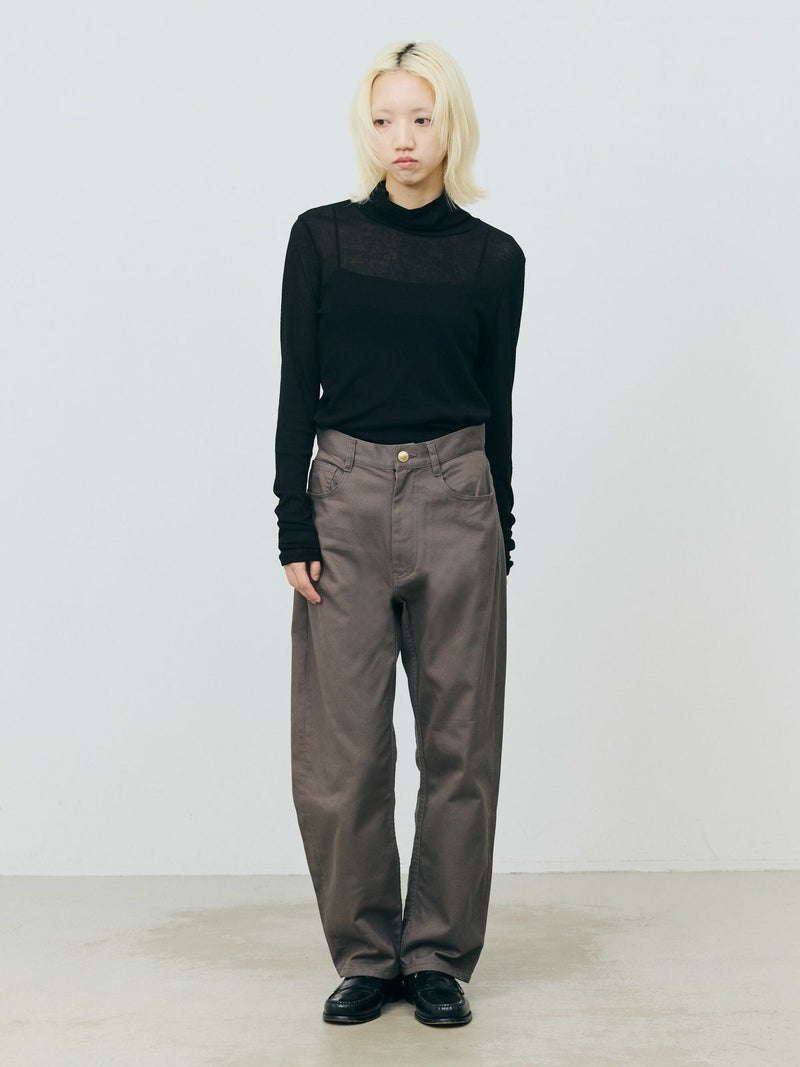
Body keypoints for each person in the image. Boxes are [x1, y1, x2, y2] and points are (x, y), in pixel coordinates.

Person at [273, 39, 526, 1027]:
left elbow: (497, 401)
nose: (402, 137)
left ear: (449, 124)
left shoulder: (493, 258)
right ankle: (366, 954)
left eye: (420, 117)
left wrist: (501, 527)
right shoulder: (322, 239)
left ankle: (437, 956)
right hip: (342, 496)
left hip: (459, 496)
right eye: (384, 119)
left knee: (460, 744)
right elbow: (297, 387)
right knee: (342, 753)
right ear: (366, 129)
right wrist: (292, 518)